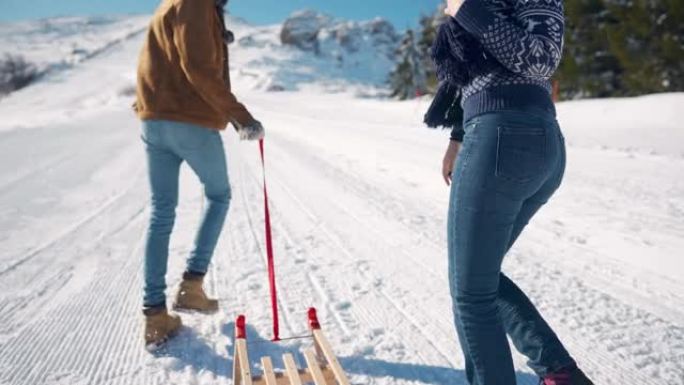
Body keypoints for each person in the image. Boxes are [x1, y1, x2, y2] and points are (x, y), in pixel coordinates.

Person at [427, 0, 595, 384]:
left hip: (505, 138)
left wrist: (464, 8)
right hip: (513, 137)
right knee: (476, 278)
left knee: (471, 294)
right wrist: (457, 136)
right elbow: (475, 71)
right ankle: (559, 374)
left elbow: (540, 59)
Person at [134, 0, 264, 350]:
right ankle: (192, 285)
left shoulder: (169, 5)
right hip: (188, 120)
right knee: (219, 195)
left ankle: (155, 315)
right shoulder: (196, 3)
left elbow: (155, 60)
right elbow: (198, 67)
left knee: (162, 212)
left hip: (153, 119)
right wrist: (242, 118)